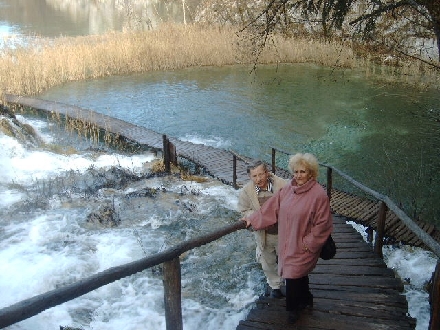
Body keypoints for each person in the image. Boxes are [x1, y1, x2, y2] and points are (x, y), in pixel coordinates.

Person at [241, 153, 333, 324]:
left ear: (311, 173)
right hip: (287, 242)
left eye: (303, 172)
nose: (298, 176)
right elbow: (270, 209)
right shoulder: (288, 190)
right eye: (296, 171)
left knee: (292, 276)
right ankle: (306, 299)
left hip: (304, 244)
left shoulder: (318, 195)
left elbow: (323, 224)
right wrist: (251, 219)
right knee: (299, 275)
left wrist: (309, 243)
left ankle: (292, 310)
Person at [238, 160, 288, 299]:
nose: (258, 179)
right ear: (250, 177)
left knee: (288, 259)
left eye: (261, 174)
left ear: (267, 173)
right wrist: (254, 217)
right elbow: (243, 210)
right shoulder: (246, 192)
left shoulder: (282, 185)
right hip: (264, 234)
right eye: (254, 176)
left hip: (284, 232)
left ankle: (290, 284)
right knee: (267, 262)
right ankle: (275, 286)